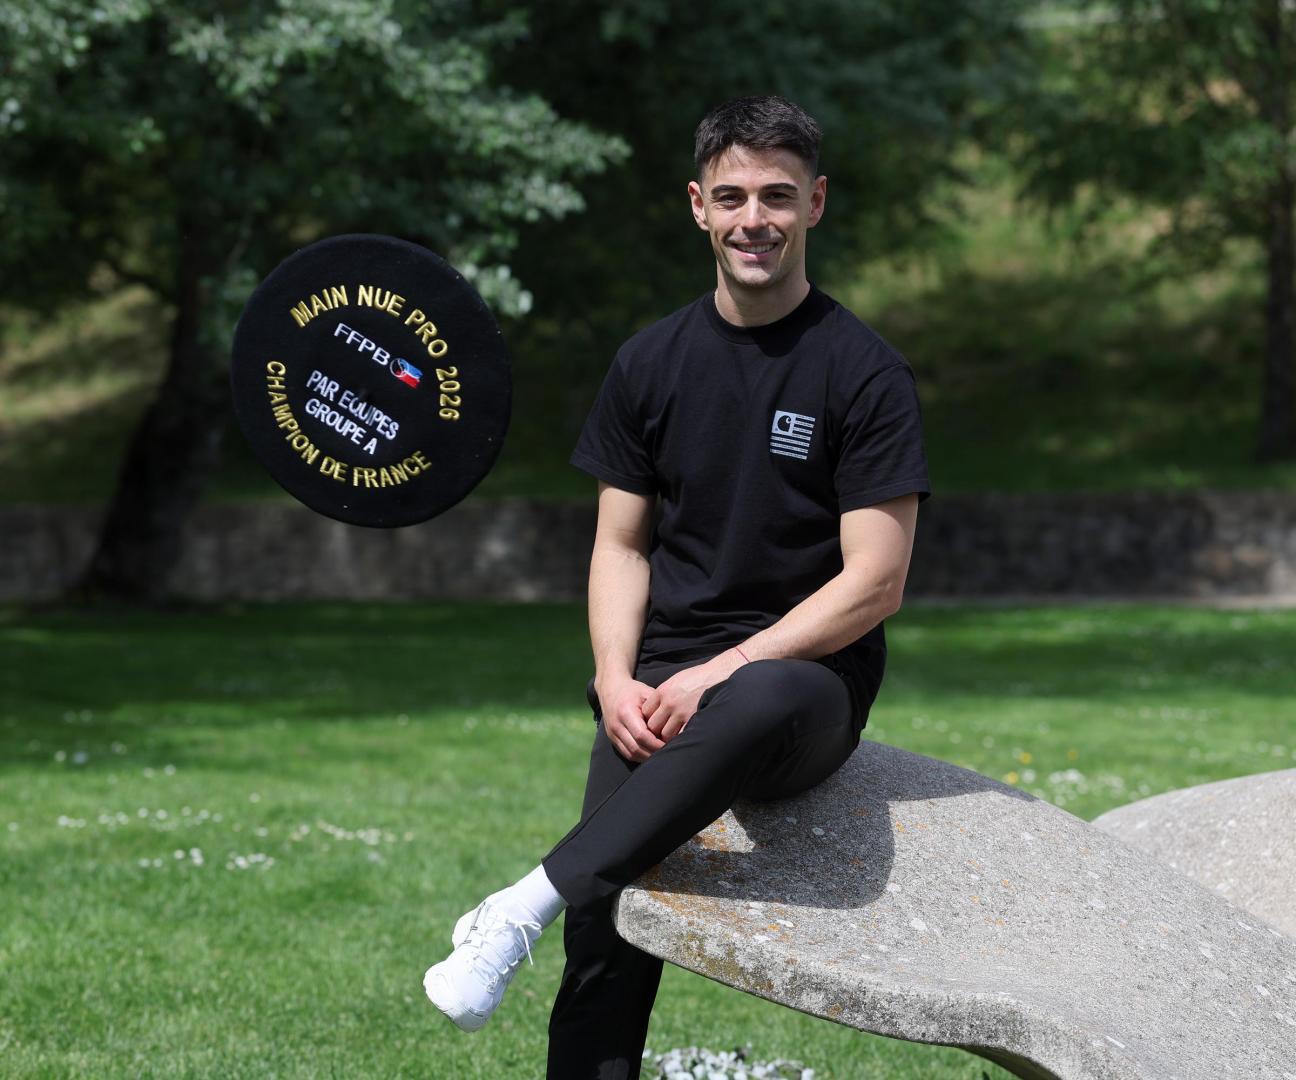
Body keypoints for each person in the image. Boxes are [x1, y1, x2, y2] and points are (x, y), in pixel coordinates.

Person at [424, 94, 931, 1078]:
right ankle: (549, 923)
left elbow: (875, 584)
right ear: (697, 206)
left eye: (778, 197)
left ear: (816, 204)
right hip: (657, 689)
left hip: (802, 689)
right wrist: (617, 678)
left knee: (767, 689)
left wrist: (726, 670)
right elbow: (621, 547)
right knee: (605, 944)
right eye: (732, 196)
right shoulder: (649, 363)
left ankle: (518, 904)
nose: (756, 219)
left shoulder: (864, 373)